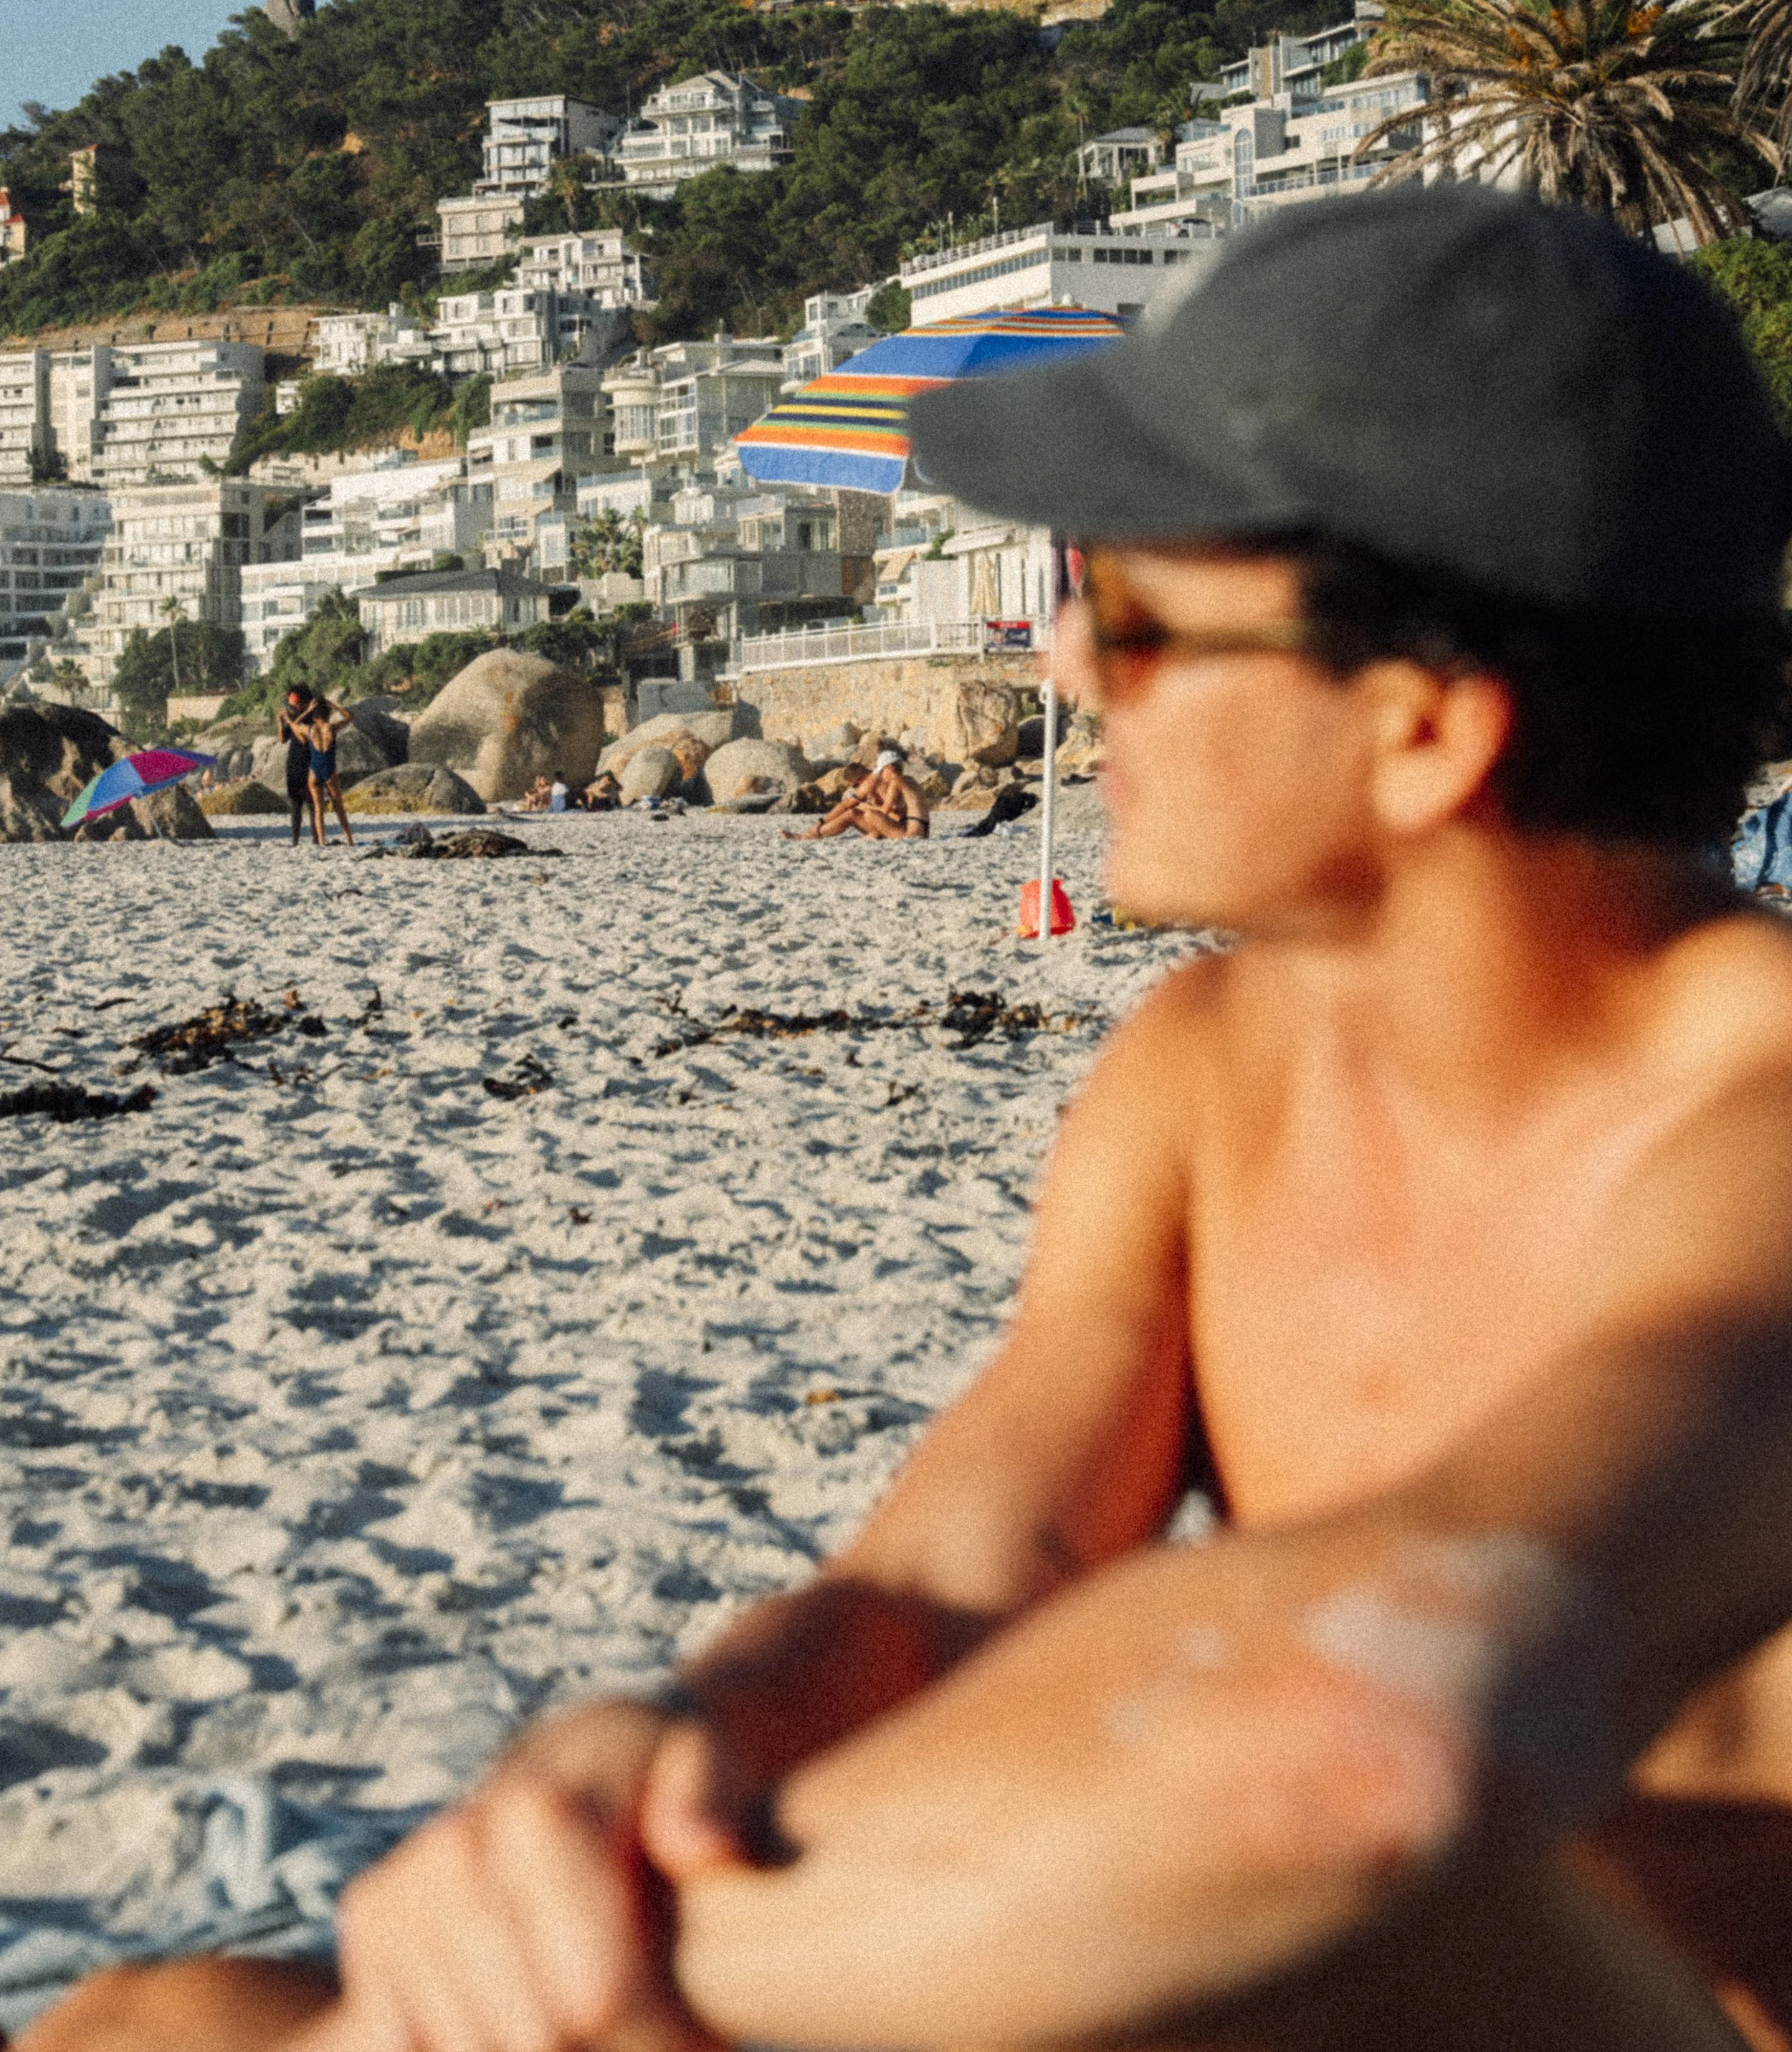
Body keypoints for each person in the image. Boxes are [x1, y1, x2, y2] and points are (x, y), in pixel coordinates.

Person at [33, 185, 1792, 2052]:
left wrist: (506, 2012)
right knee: (170, 2012)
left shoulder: (1750, 1128)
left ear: (1423, 724)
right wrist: (675, 1745)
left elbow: (1372, 1743)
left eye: (1127, 609)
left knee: (1376, 1863)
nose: (1053, 665)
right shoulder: (1213, 1060)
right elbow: (948, 1582)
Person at [793, 746, 930, 841]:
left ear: (889, 768)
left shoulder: (889, 781)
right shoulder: (909, 780)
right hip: (920, 829)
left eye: (882, 771)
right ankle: (874, 834)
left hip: (912, 832)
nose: (881, 776)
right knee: (865, 813)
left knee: (859, 813)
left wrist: (821, 821)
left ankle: (811, 835)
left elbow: (882, 810)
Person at [303, 696, 354, 849]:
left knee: (319, 809)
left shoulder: (310, 729)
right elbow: (350, 717)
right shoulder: (332, 728)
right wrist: (334, 705)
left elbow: (296, 724)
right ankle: (349, 840)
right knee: (339, 806)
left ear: (314, 715)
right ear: (327, 713)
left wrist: (308, 710)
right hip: (329, 769)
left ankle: (322, 841)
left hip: (315, 770)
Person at [276, 685, 317, 849]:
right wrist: (281, 723)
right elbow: (282, 739)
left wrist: (290, 720)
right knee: (295, 805)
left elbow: (303, 738)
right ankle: (295, 841)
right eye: (292, 703)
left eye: (297, 703)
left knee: (312, 804)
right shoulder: (295, 718)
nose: (293, 706)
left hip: (309, 764)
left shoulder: (313, 718)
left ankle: (316, 839)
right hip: (293, 764)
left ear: (306, 703)